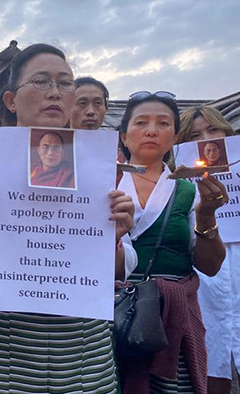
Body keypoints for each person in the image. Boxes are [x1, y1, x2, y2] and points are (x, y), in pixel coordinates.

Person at [0, 43, 137, 393]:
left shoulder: (99, 166)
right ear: (11, 100)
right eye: (41, 82)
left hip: (81, 344)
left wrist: (115, 238)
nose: (55, 93)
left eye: (65, 83)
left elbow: (124, 266)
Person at [117, 92, 228, 393]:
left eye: (163, 123)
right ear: (124, 136)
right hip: (114, 316)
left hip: (173, 322)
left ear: (175, 137)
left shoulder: (189, 190)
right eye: (142, 123)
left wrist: (206, 215)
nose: (152, 130)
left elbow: (210, 266)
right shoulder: (105, 184)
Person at [178, 106, 238, 394]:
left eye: (213, 130)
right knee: (209, 370)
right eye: (194, 135)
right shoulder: (176, 186)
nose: (206, 140)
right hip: (205, 285)